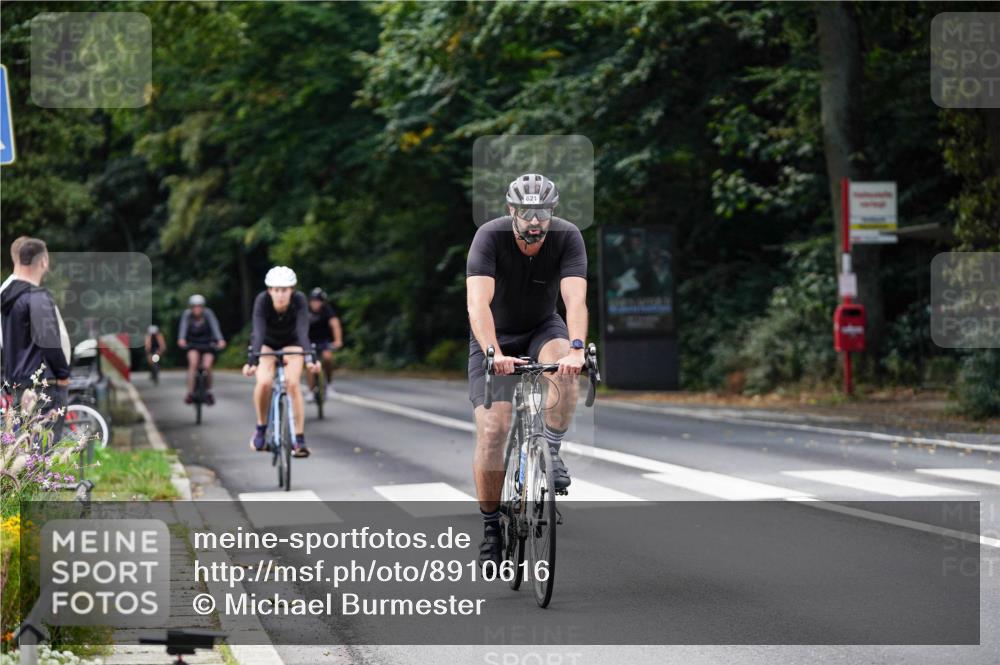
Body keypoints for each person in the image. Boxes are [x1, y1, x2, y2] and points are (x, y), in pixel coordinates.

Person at [466, 173, 589, 568]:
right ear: (511, 211)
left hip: (542, 326)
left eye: (542, 213)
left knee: (567, 370)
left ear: (552, 213)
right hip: (493, 334)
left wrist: (576, 350)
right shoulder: (489, 236)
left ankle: (550, 450)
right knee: (493, 430)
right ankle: (490, 528)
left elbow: (575, 301)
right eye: (526, 212)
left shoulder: (568, 236)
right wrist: (492, 352)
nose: (534, 221)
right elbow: (477, 304)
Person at [0, 238, 72, 446]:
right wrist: (63, 375)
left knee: (23, 450)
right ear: (43, 262)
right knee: (43, 453)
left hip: (16, 385)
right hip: (42, 387)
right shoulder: (36, 297)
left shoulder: (7, 298)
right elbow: (49, 341)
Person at [242, 266, 320, 457]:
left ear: (292, 290)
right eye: (276, 290)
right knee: (264, 382)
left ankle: (299, 439)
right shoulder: (262, 301)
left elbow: (303, 331)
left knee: (292, 384)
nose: (280, 295)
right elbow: (258, 332)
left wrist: (310, 359)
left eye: (284, 290)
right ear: (270, 290)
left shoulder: (300, 300)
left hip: (292, 342)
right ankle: (261, 428)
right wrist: (252, 361)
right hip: (266, 343)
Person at [177, 295, 226, 405]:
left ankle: (208, 391)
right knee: (193, 364)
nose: (197, 309)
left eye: (199, 306)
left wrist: (220, 340)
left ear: (203, 307)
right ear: (191, 307)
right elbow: (183, 328)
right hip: (193, 344)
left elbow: (215, 327)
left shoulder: (208, 314)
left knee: (207, 366)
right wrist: (181, 339)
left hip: (208, 344)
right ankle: (190, 392)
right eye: (194, 307)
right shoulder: (187, 315)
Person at [305, 287, 343, 402]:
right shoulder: (305, 310)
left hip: (323, 341)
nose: (316, 303)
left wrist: (338, 340)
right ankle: (311, 391)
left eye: (318, 301)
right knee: (310, 364)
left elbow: (335, 324)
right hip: (308, 341)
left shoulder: (327, 310)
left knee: (328, 358)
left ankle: (329, 385)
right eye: (313, 301)